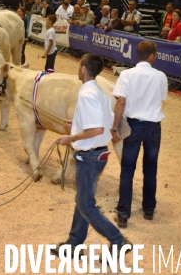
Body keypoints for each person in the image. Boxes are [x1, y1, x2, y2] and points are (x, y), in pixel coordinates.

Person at [53, 53, 130, 255]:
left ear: (83, 69)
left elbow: (95, 129)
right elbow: (105, 122)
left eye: (79, 66)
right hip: (99, 153)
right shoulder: (99, 91)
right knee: (83, 200)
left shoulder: (86, 94)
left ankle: (118, 240)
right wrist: (77, 123)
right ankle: (73, 244)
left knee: (86, 205)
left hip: (89, 156)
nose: (78, 69)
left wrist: (70, 138)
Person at [112, 40, 168, 227]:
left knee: (127, 170)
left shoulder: (126, 74)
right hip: (153, 127)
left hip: (133, 126)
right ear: (152, 55)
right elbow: (160, 99)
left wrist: (115, 126)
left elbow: (121, 102)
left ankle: (123, 214)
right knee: (150, 169)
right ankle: (149, 210)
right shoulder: (161, 76)